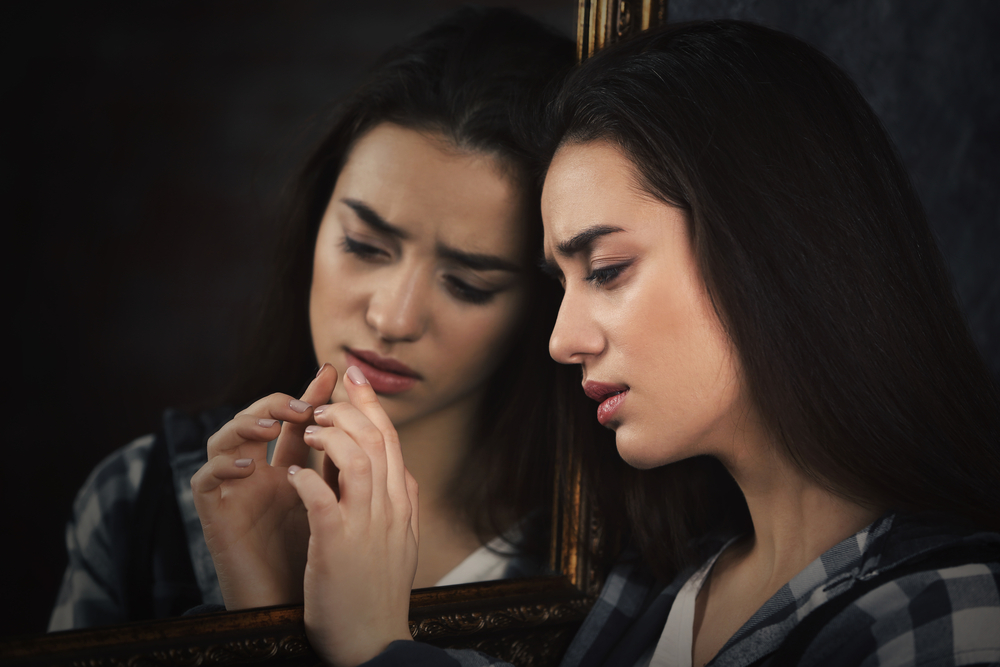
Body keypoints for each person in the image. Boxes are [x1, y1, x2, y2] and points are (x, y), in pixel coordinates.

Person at [287, 20, 1000, 667]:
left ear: (767, 249)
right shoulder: (653, 584)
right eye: (561, 283)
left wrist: (383, 649)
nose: (563, 339)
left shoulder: (939, 615)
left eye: (606, 270)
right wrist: (265, 604)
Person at [48, 7, 601, 630]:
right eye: (364, 246)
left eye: (468, 284)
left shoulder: (599, 556)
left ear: (545, 300)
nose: (392, 318)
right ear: (315, 223)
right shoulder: (137, 502)